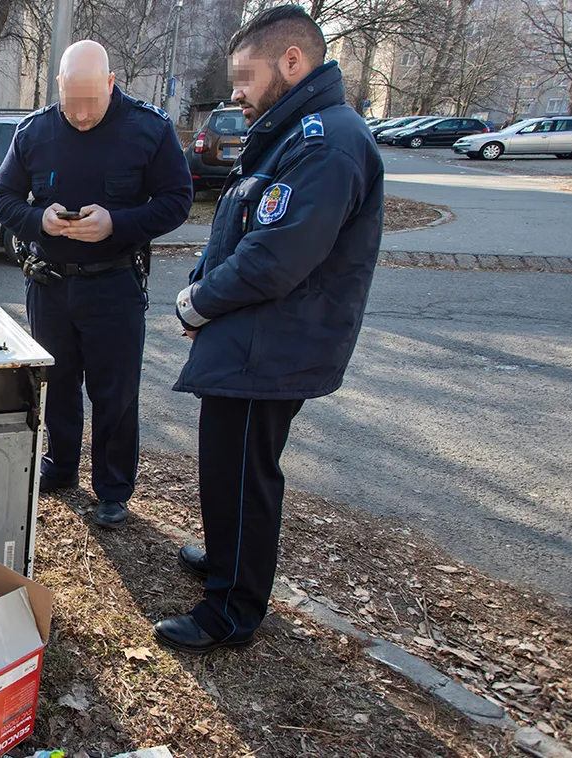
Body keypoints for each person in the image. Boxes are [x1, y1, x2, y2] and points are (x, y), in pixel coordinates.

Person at [156, 5, 384, 654]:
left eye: (244, 76)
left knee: (242, 477)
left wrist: (198, 302)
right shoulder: (290, 133)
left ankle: (230, 609)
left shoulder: (326, 140)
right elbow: (240, 227)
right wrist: (205, 293)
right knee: (228, 469)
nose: (234, 91)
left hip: (271, 345)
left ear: (291, 62)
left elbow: (277, 256)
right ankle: (230, 559)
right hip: (254, 337)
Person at [0, 40, 193, 529]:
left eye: (92, 101)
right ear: (58, 86)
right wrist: (39, 219)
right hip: (51, 286)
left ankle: (113, 488)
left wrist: (118, 224)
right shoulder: (35, 132)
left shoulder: (149, 128)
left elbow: (178, 200)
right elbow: (3, 197)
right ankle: (60, 468)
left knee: (115, 393)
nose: (81, 114)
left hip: (116, 284)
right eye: (71, 100)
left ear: (110, 83)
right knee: (57, 384)